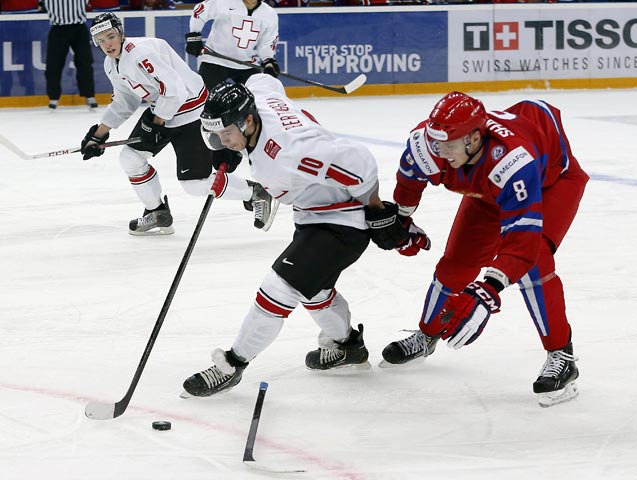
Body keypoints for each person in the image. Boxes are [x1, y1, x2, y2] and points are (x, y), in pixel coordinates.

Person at [181, 74, 399, 397]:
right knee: (313, 290)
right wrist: (228, 146)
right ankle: (347, 346)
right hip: (312, 214)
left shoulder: (285, 155)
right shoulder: (256, 96)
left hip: (344, 219)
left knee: (278, 287)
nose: (220, 140)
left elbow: (358, 163)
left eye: (225, 134)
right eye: (216, 135)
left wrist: (378, 210)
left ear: (249, 121)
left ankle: (233, 363)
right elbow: (261, 78)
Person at [371, 92, 589, 408]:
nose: (441, 153)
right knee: (456, 263)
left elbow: (521, 245)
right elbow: (409, 181)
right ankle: (427, 334)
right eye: (436, 143)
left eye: (450, 145)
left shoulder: (512, 160)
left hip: (551, 183)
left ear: (475, 138)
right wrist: (402, 222)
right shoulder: (427, 143)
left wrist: (489, 290)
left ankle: (561, 354)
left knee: (535, 263)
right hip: (487, 191)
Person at [80, 12, 276, 235]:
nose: (107, 44)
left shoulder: (140, 53)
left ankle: (255, 193)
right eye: (101, 40)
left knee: (195, 184)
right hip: (163, 110)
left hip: (191, 112)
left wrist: (155, 125)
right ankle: (158, 212)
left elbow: (174, 90)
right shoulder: (111, 64)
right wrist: (99, 133)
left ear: (121, 33)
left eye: (110, 36)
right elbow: (125, 99)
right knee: (130, 158)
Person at [185, 0, 280, 90]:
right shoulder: (225, 2)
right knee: (205, 99)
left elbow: (267, 42)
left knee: (258, 97)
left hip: (246, 64)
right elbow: (200, 11)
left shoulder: (269, 14)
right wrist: (194, 36)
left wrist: (268, 61)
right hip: (215, 60)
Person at [43, 0, 98, 110]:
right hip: (58, 29)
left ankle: (89, 95)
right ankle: (53, 97)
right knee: (53, 65)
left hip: (79, 28)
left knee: (85, 62)